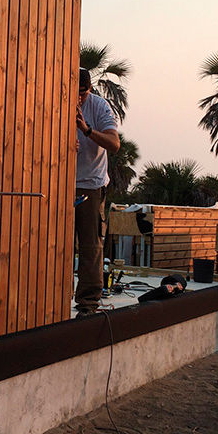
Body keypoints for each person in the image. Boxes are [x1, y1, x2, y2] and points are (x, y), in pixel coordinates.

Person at [74, 67, 121, 316]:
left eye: (84, 93)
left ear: (89, 90)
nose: (79, 98)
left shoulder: (99, 106)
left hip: (90, 185)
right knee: (56, 244)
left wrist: (87, 130)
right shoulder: (56, 102)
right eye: (76, 92)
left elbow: (114, 144)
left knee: (90, 247)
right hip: (61, 184)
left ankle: (88, 304)